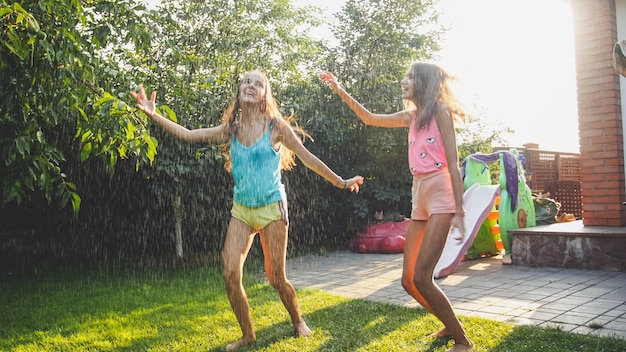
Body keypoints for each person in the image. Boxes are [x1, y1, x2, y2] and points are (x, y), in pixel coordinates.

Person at [131, 70, 364, 351]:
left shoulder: (276, 127)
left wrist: (341, 182)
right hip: (242, 210)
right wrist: (153, 115)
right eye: (246, 82)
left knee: (276, 277)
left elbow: (309, 158)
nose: (250, 86)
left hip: (272, 209)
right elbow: (190, 135)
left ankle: (298, 320)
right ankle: (247, 334)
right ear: (240, 91)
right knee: (230, 272)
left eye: (258, 83)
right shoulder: (232, 128)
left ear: (265, 94)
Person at [319, 63, 474, 352]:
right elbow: (368, 118)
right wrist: (339, 89)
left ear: (425, 83)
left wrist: (460, 210)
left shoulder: (440, 112)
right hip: (419, 193)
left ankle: (463, 341)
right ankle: (449, 323)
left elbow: (453, 163)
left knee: (421, 277)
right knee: (407, 281)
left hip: (441, 191)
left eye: (411, 77)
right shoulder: (410, 117)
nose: (404, 81)